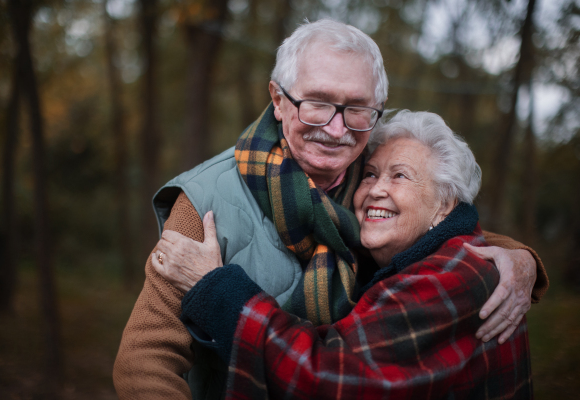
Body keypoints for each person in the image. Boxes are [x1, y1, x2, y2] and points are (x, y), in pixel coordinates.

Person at [113, 20, 547, 400]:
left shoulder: (371, 174)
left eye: (357, 109)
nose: (336, 130)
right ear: (278, 99)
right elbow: (144, 358)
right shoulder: (204, 198)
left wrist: (519, 258)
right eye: (317, 103)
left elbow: (444, 228)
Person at [154, 110, 532, 399]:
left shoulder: (448, 278)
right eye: (369, 174)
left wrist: (215, 288)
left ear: (445, 204)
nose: (376, 190)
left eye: (400, 176)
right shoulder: (438, 251)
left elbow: (322, 378)